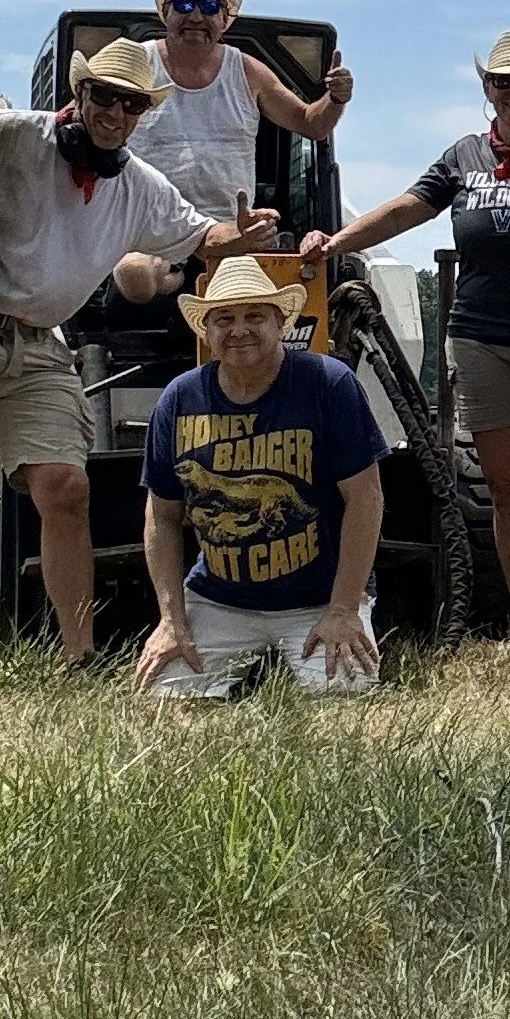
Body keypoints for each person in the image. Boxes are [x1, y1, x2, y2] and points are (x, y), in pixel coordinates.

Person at [0, 38, 279, 672]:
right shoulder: (8, 138)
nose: (116, 114)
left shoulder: (138, 187)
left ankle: (78, 659)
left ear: (143, 113)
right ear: (79, 92)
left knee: (65, 487)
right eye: (105, 98)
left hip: (38, 346)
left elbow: (203, 237)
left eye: (132, 105)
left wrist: (240, 236)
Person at [298, 30, 510, 642]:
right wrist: (337, 242)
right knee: (509, 490)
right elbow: (405, 209)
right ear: (487, 87)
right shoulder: (464, 155)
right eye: (504, 82)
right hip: (480, 340)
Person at [135, 255, 387, 697]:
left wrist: (344, 608)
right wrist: (171, 621)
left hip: (319, 597)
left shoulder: (329, 383)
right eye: (224, 319)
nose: (239, 330)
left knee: (344, 696)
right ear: (206, 330)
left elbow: (366, 499)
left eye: (254, 316)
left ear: (281, 323)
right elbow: (162, 515)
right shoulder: (179, 398)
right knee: (165, 701)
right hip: (219, 599)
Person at [112, 0, 355, 296]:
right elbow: (83, 119)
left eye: (210, 6)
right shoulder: (136, 63)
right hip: (151, 232)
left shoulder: (247, 71)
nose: (196, 16)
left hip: (231, 234)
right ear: (164, 13)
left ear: (225, 19)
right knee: (133, 275)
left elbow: (310, 124)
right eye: (183, 4)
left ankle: (189, 277)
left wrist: (335, 98)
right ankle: (174, 277)